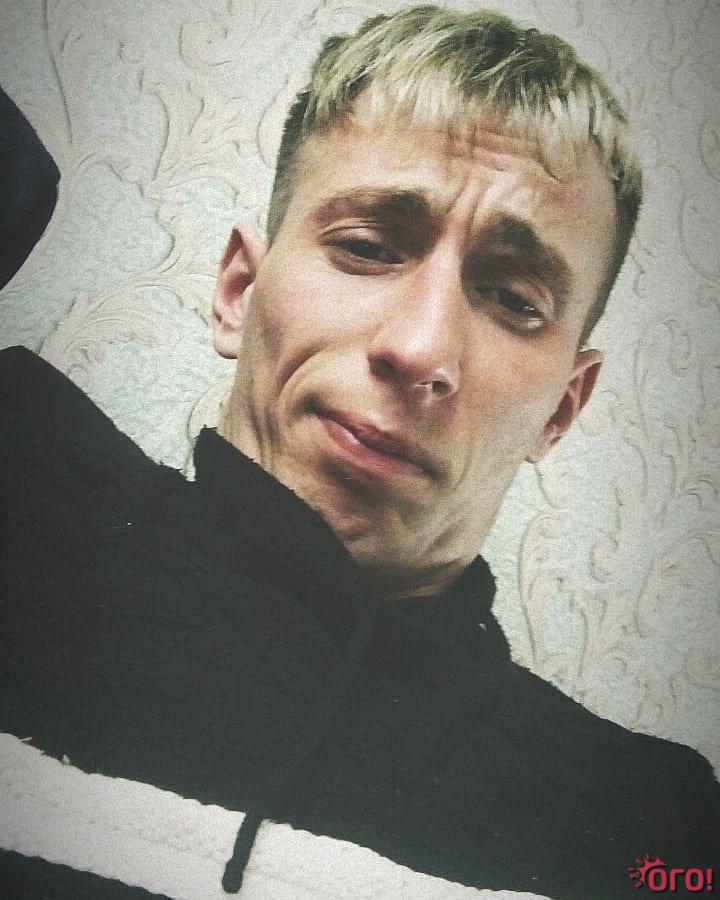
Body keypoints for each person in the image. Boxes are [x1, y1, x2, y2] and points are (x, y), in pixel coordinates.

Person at [1, 6, 718, 899]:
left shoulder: (655, 829)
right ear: (239, 291)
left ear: (561, 411)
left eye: (513, 299)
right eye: (368, 247)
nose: (420, 349)